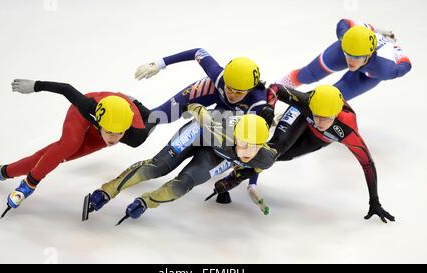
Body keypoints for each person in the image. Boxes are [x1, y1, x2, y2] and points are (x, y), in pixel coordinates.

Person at [214, 84, 395, 223]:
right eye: (318, 116)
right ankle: (231, 168)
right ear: (312, 106)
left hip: (319, 138)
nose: (321, 122)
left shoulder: (347, 130)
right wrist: (270, 106)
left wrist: (374, 201)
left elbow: (367, 164)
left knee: (281, 157)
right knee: (275, 150)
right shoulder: (306, 102)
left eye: (327, 118)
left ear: (336, 114)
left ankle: (237, 172)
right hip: (301, 115)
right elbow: (276, 88)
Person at [0, 79, 156, 215]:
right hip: (83, 116)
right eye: (110, 132)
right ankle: (29, 184)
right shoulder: (88, 107)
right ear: (100, 123)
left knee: (57, 157)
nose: (114, 139)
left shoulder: (135, 136)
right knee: (67, 145)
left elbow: (155, 118)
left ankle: (1, 172)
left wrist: (139, 105)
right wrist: (35, 85)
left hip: (113, 119)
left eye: (119, 133)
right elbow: (66, 89)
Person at [82, 103, 278, 222]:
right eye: (243, 145)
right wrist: (186, 106)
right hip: (200, 132)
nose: (247, 152)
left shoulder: (266, 157)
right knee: (158, 167)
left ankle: (146, 202)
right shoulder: (217, 129)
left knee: (187, 181)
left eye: (254, 147)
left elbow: (255, 167)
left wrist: (234, 179)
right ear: (235, 137)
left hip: (220, 154)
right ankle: (107, 191)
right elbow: (196, 109)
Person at [278, 19, 411, 100]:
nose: (351, 61)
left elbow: (406, 64)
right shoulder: (346, 38)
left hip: (371, 72)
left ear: (368, 55)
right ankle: (273, 91)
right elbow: (344, 22)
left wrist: (396, 49)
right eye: (349, 55)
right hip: (343, 50)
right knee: (306, 75)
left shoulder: (385, 68)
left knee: (332, 97)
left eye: (357, 57)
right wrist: (371, 29)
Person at [135, 48, 270, 124]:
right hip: (213, 90)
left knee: (213, 137)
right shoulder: (218, 76)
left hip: (235, 113)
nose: (232, 95)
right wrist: (159, 63)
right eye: (229, 88)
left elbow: (253, 146)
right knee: (158, 115)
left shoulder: (257, 103)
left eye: (239, 92)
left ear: (250, 89)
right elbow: (198, 52)